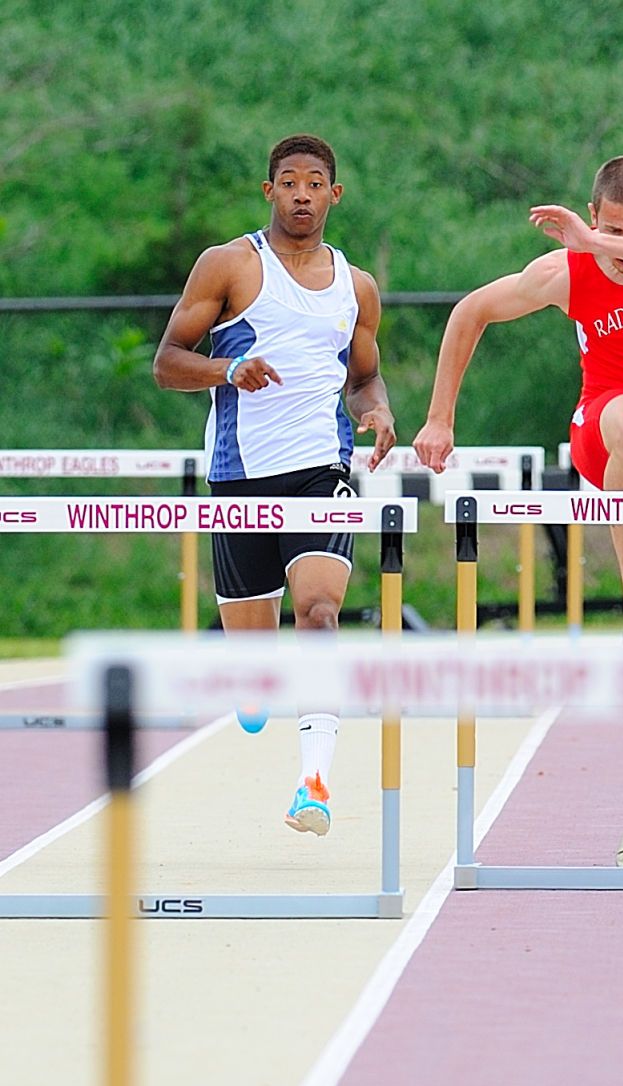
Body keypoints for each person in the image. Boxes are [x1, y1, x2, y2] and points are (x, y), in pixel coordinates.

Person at [412, 155, 623, 869]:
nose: (622, 247)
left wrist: (600, 244)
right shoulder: (566, 271)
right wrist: (440, 418)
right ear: (592, 217)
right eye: (610, 229)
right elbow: (472, 311)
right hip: (609, 426)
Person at [152, 133, 396, 836]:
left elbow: (363, 375)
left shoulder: (357, 286)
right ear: (270, 191)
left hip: (323, 472)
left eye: (314, 183)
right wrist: (229, 370)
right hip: (240, 478)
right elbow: (168, 363)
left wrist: (376, 408)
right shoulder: (229, 265)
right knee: (254, 670)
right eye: (288, 182)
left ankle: (313, 784)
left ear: (333, 194)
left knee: (319, 613)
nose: (300, 195)